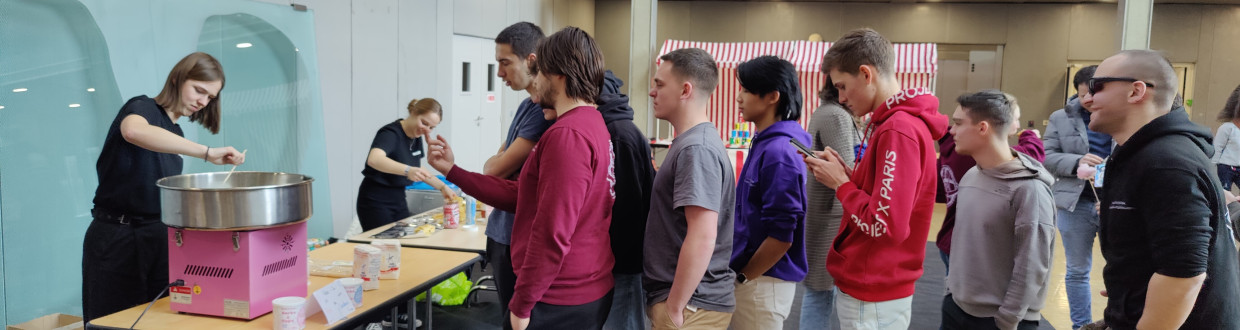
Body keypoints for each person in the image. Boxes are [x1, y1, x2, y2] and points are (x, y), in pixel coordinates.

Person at [428, 26, 615, 330]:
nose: (534, 79)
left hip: (560, 296)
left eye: (539, 71)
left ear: (559, 75)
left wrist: (523, 302)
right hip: (577, 288)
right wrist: (453, 171)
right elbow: (522, 196)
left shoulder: (568, 135)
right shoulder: (589, 123)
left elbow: (552, 231)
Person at [82, 52, 247, 322]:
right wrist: (207, 152)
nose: (203, 102)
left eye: (210, 98)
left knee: (159, 320)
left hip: (158, 238)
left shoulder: (176, 134)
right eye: (199, 90)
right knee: (111, 321)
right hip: (116, 238)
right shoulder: (142, 108)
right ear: (178, 78)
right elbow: (133, 132)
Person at [803, 28, 948, 330]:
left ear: (866, 74)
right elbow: (885, 200)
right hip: (874, 283)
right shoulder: (892, 124)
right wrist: (849, 176)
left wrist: (841, 185)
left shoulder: (898, 129)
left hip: (874, 287)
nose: (841, 98)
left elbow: (885, 225)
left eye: (842, 86)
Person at [1085, 49, 1240, 329]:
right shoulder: (1143, 155)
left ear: (1136, 91)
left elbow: (1183, 276)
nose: (1087, 98)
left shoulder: (1166, 163)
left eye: (1098, 87)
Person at [940, 90, 1055, 330]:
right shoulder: (972, 175)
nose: (952, 131)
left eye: (959, 123)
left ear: (983, 128)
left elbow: (1032, 264)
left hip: (1000, 322)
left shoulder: (1029, 190)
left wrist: (1008, 319)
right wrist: (952, 290)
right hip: (956, 309)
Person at [643, 47, 736, 329]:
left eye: (659, 84)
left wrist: (674, 307)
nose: (652, 92)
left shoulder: (697, 148)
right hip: (689, 301)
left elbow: (703, 235)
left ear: (685, 90)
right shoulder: (691, 143)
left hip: (692, 305)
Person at [729, 55, 811, 330]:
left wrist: (743, 277)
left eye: (747, 90)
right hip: (758, 278)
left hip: (762, 281)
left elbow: (781, 235)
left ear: (772, 96)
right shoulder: (770, 143)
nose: (739, 97)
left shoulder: (779, 152)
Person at [482, 22, 553, 330]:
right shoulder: (527, 105)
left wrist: (500, 162)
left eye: (505, 63)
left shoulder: (542, 111)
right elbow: (493, 167)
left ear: (532, 60)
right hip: (500, 231)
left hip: (517, 237)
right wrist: (500, 162)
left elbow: (494, 168)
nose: (500, 73)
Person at [1041, 65, 1109, 330]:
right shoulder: (1061, 117)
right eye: (1083, 95)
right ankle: (1081, 326)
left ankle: (1118, 321)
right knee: (1077, 270)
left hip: (1116, 203)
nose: (1089, 101)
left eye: (1094, 94)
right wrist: (1077, 160)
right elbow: (1046, 156)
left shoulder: (1123, 116)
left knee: (1119, 268)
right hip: (1074, 203)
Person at [936, 112, 1044, 276]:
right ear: (984, 127)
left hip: (952, 241)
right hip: (969, 247)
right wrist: (1031, 136)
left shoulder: (951, 148)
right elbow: (1028, 157)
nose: (1018, 125)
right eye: (1015, 119)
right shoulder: (976, 155)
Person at [598, 69, 656, 330]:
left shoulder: (619, 134)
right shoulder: (610, 128)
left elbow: (628, 208)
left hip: (624, 264)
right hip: (614, 261)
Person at [799, 77, 857, 330]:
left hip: (827, 211)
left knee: (820, 292)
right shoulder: (836, 115)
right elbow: (847, 168)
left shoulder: (829, 112)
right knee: (820, 292)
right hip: (832, 214)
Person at [356, 98, 456, 231]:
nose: (426, 130)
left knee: (404, 243)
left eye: (431, 127)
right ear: (414, 112)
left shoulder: (416, 137)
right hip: (376, 200)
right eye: (424, 123)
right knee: (384, 245)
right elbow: (374, 159)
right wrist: (407, 170)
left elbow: (417, 168)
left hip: (398, 198)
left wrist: (442, 187)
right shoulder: (390, 133)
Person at [1212, 84, 1240, 192]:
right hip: (1226, 167)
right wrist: (1212, 168)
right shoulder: (1227, 128)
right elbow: (1217, 148)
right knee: (1224, 192)